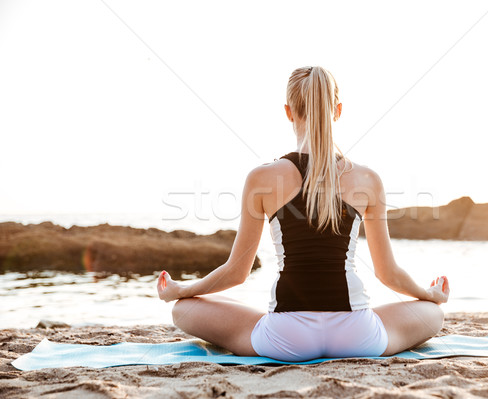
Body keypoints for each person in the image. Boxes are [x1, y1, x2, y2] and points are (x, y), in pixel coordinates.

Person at [157, 66, 449, 361]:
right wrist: (430, 294)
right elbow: (389, 274)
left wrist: (182, 289)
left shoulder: (262, 178)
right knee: (432, 314)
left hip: (285, 337)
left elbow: (237, 272)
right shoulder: (367, 179)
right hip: (357, 335)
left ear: (288, 111)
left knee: (182, 310)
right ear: (337, 110)